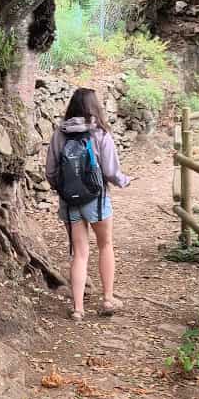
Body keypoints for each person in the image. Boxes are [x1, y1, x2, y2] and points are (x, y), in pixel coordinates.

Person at [45, 87, 130, 322]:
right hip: (97, 199)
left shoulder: (59, 134)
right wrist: (125, 181)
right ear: (95, 107)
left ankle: (78, 309)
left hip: (71, 201)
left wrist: (65, 190)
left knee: (80, 254)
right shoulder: (100, 133)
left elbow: (50, 171)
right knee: (105, 244)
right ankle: (108, 298)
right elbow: (111, 171)